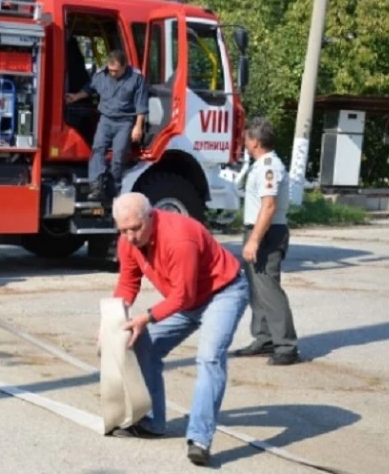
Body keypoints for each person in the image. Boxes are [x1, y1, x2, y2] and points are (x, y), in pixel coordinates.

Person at [109, 192, 249, 467]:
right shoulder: (128, 241)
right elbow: (128, 283)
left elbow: (182, 296)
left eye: (135, 229)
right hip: (187, 298)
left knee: (209, 357)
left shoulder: (178, 238)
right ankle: (152, 422)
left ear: (151, 216)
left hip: (222, 292)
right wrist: (112, 321)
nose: (130, 237)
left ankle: (199, 439)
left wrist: (145, 318)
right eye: (123, 230)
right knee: (140, 343)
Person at [231, 117, 299, 365]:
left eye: (247, 138)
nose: (245, 142)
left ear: (256, 141)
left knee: (269, 289)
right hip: (259, 230)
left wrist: (254, 240)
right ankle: (265, 337)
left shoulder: (269, 167)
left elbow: (268, 207)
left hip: (267, 232)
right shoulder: (261, 164)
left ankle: (286, 345)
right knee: (257, 288)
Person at [66, 49, 148, 201]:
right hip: (105, 120)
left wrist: (138, 127)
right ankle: (96, 187)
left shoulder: (136, 79)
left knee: (118, 157)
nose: (112, 74)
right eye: (110, 70)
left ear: (124, 67)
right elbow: (89, 89)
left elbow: (141, 105)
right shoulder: (101, 76)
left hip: (125, 122)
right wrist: (75, 97)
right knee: (97, 150)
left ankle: (113, 190)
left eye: (116, 71)